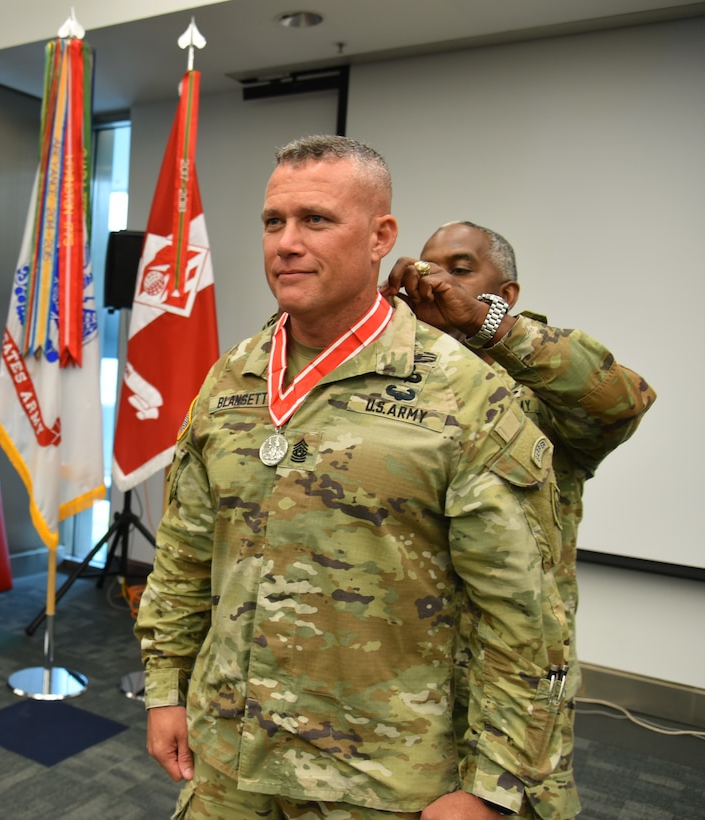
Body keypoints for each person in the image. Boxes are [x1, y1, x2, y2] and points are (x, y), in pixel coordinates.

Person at [134, 136, 572, 820]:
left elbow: (520, 615)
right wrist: (164, 688)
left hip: (377, 776)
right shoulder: (232, 376)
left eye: (316, 220)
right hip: (229, 759)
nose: (286, 242)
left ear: (380, 236)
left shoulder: (461, 391)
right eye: (273, 222)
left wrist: (492, 786)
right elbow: (186, 554)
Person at [382, 221, 657, 817]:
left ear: (504, 294)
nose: (437, 283)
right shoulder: (397, 375)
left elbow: (621, 399)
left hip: (508, 676)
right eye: (428, 269)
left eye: (460, 269)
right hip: (401, 679)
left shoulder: (538, 389)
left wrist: (484, 329)